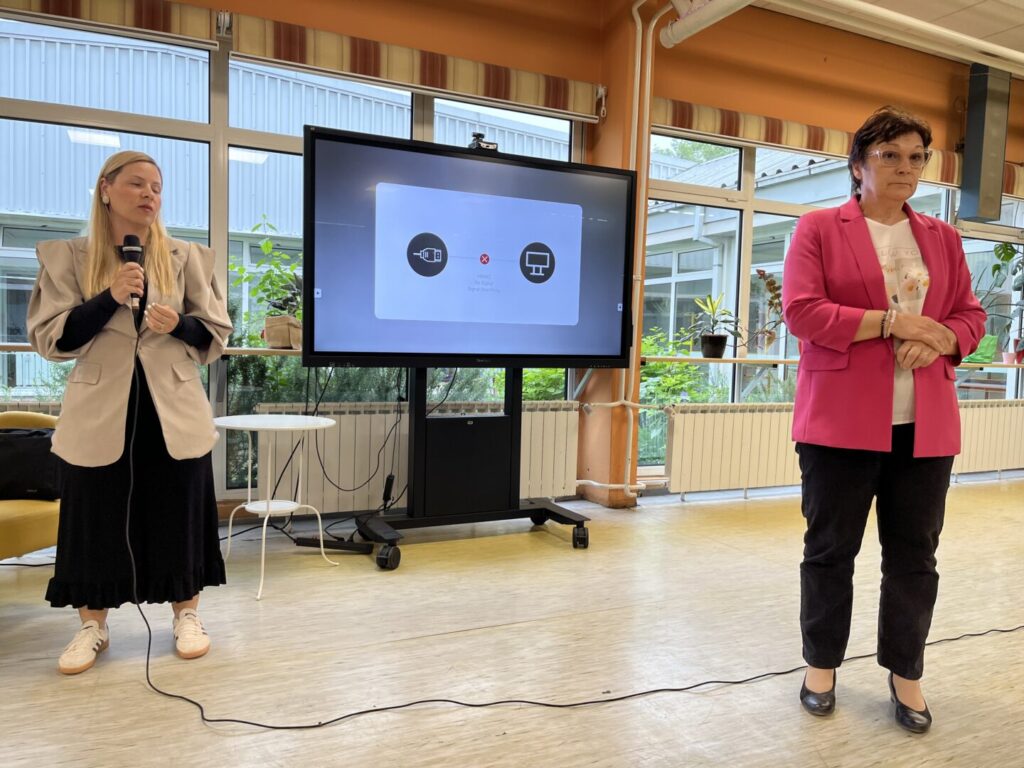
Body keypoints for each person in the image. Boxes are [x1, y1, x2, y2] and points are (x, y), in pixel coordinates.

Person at [782, 106, 986, 733]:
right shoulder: (819, 228)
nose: (905, 167)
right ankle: (821, 666)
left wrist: (943, 340)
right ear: (858, 165)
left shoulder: (942, 237)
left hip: (924, 426)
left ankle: (906, 673)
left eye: (916, 157)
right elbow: (803, 312)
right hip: (839, 423)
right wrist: (896, 324)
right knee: (830, 551)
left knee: (915, 556)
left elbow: (971, 316)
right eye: (889, 155)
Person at [28, 150, 232, 675]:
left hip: (173, 407)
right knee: (94, 515)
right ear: (105, 189)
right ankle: (91, 625)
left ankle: (187, 614)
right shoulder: (68, 257)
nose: (149, 195)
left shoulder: (187, 257)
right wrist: (108, 297)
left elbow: (214, 335)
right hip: (100, 409)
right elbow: (53, 339)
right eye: (137, 184)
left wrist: (178, 325)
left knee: (177, 510)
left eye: (157, 188)